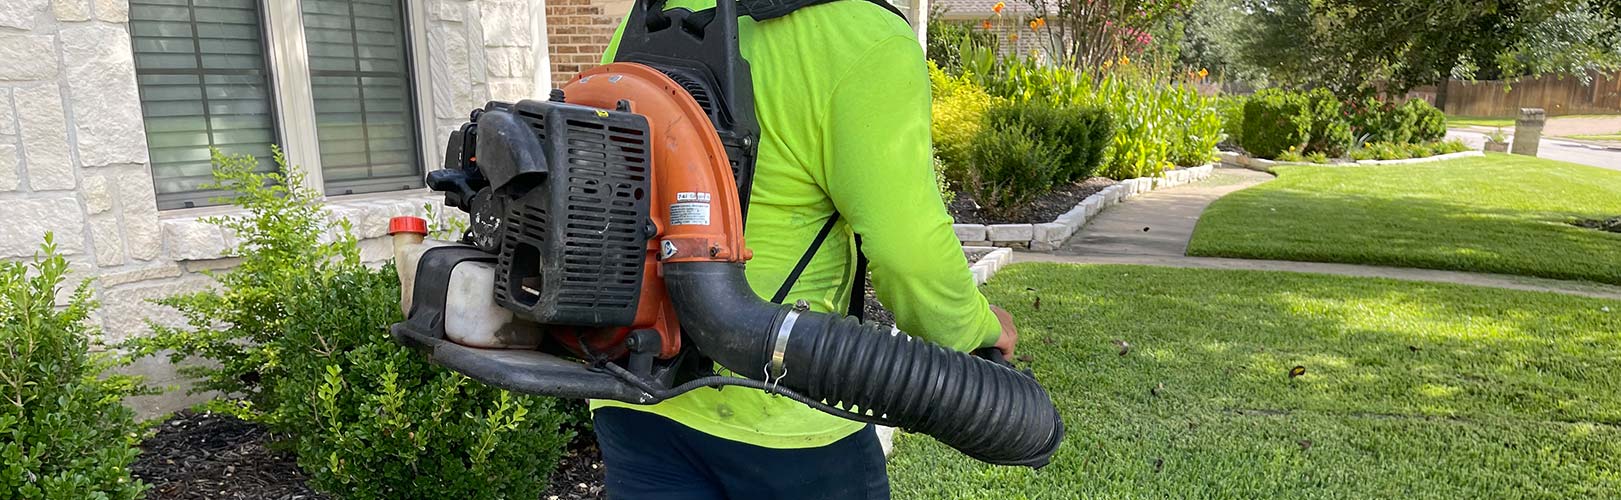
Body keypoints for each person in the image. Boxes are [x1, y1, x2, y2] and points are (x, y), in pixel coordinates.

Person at [590, 0, 1019, 498]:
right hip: (782, 415)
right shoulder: (862, 36)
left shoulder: (646, 17)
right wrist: (975, 331)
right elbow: (910, 254)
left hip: (632, 389)